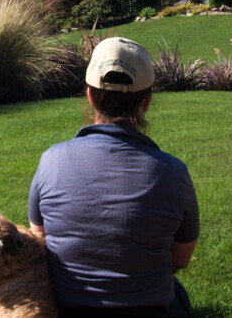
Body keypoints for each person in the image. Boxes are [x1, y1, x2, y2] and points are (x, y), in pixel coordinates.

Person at [28, 37, 199, 317]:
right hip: (150, 309)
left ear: (90, 96)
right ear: (146, 101)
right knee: (177, 294)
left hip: (68, 310)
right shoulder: (174, 173)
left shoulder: (50, 161)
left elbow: (41, 239)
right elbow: (180, 259)